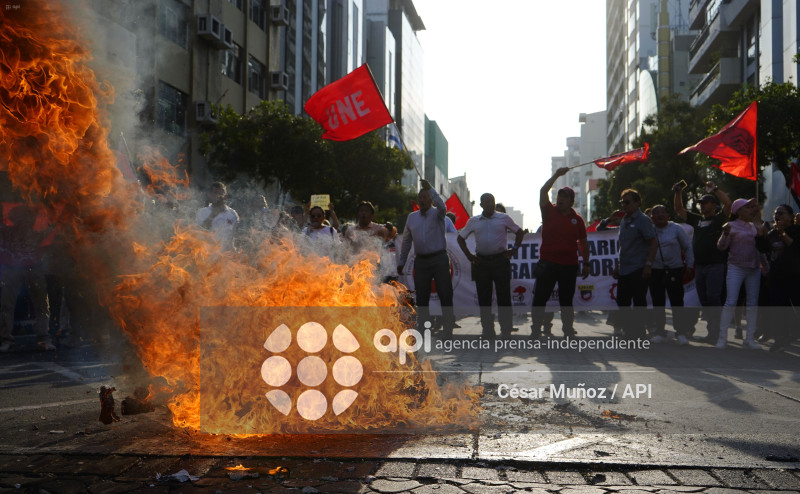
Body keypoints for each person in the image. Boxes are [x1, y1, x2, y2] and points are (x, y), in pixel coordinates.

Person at [530, 167, 590, 339]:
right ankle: (536, 330)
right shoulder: (548, 211)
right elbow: (543, 191)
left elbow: (584, 243)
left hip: (569, 265)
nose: (561, 199)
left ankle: (568, 330)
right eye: (559, 196)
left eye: (565, 197)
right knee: (540, 298)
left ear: (572, 201)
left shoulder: (577, 220)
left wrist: (586, 263)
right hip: (547, 263)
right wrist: (556, 175)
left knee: (566, 300)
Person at [457, 193, 525, 338]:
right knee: (484, 298)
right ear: (481, 205)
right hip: (481, 263)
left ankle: (506, 330)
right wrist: (469, 256)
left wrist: (514, 250)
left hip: (500, 261)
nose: (489, 204)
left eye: (492, 202)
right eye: (486, 202)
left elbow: (519, 232)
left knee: (504, 297)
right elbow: (460, 238)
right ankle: (488, 330)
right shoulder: (473, 221)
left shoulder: (503, 218)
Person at [672, 180, 731, 343]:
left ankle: (716, 332)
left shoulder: (719, 220)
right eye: (700, 204)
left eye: (705, 203)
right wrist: (678, 192)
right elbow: (679, 209)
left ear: (713, 205)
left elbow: (728, 204)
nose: (702, 206)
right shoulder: (697, 220)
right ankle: (712, 332)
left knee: (713, 297)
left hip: (715, 265)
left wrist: (715, 189)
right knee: (704, 300)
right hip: (700, 266)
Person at [397, 180, 455, 337]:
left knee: (445, 294)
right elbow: (407, 241)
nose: (422, 200)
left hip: (440, 259)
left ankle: (448, 329)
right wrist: (402, 261)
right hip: (421, 261)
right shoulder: (412, 217)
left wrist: (431, 188)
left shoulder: (438, 213)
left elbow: (443, 206)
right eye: (420, 197)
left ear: (431, 200)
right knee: (422, 297)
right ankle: (423, 328)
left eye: (425, 197)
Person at [600, 189, 657, 339]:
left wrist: (648, 264)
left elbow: (653, 242)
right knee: (622, 301)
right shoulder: (625, 220)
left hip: (639, 268)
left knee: (639, 301)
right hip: (624, 269)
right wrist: (618, 266)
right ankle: (629, 330)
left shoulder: (643, 220)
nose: (624, 205)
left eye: (627, 202)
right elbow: (622, 246)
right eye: (622, 202)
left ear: (637, 203)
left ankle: (638, 332)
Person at [0, 204, 55, 352]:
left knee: (42, 304)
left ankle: (44, 338)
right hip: (11, 268)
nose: (25, 221)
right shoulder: (5, 232)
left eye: (27, 218)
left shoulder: (38, 233)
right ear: (13, 219)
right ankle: (6, 339)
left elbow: (52, 236)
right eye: (20, 218)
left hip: (33, 267)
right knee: (7, 304)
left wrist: (38, 255)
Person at [716, 198, 769, 349]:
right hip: (736, 267)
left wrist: (765, 267)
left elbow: (761, 249)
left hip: (753, 268)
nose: (750, 210)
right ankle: (722, 338)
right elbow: (721, 247)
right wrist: (725, 234)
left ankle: (749, 339)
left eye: (751, 208)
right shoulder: (731, 226)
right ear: (738, 211)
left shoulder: (755, 226)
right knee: (731, 302)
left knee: (752, 304)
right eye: (747, 208)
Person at [647, 205, 695, 345]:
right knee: (658, 302)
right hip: (655, 270)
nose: (660, 215)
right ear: (652, 217)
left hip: (674, 269)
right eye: (657, 213)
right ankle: (660, 332)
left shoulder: (676, 228)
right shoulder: (649, 230)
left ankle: (680, 333)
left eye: (663, 212)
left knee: (677, 302)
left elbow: (687, 247)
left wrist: (690, 265)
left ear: (669, 215)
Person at [758, 204, 800, 352]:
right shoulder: (772, 233)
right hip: (777, 277)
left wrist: (783, 233)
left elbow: (795, 247)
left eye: (781, 213)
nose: (777, 216)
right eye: (776, 213)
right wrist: (760, 236)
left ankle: (793, 333)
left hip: (794, 276)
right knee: (778, 308)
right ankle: (779, 340)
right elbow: (763, 249)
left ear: (790, 216)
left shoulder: (796, 230)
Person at [196, 182, 239, 252]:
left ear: (226, 196)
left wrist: (234, 251)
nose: (219, 196)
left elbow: (233, 237)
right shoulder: (203, 212)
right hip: (208, 255)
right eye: (215, 193)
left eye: (221, 193)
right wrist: (213, 215)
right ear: (210, 194)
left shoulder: (232, 214)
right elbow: (199, 233)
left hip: (226, 256)